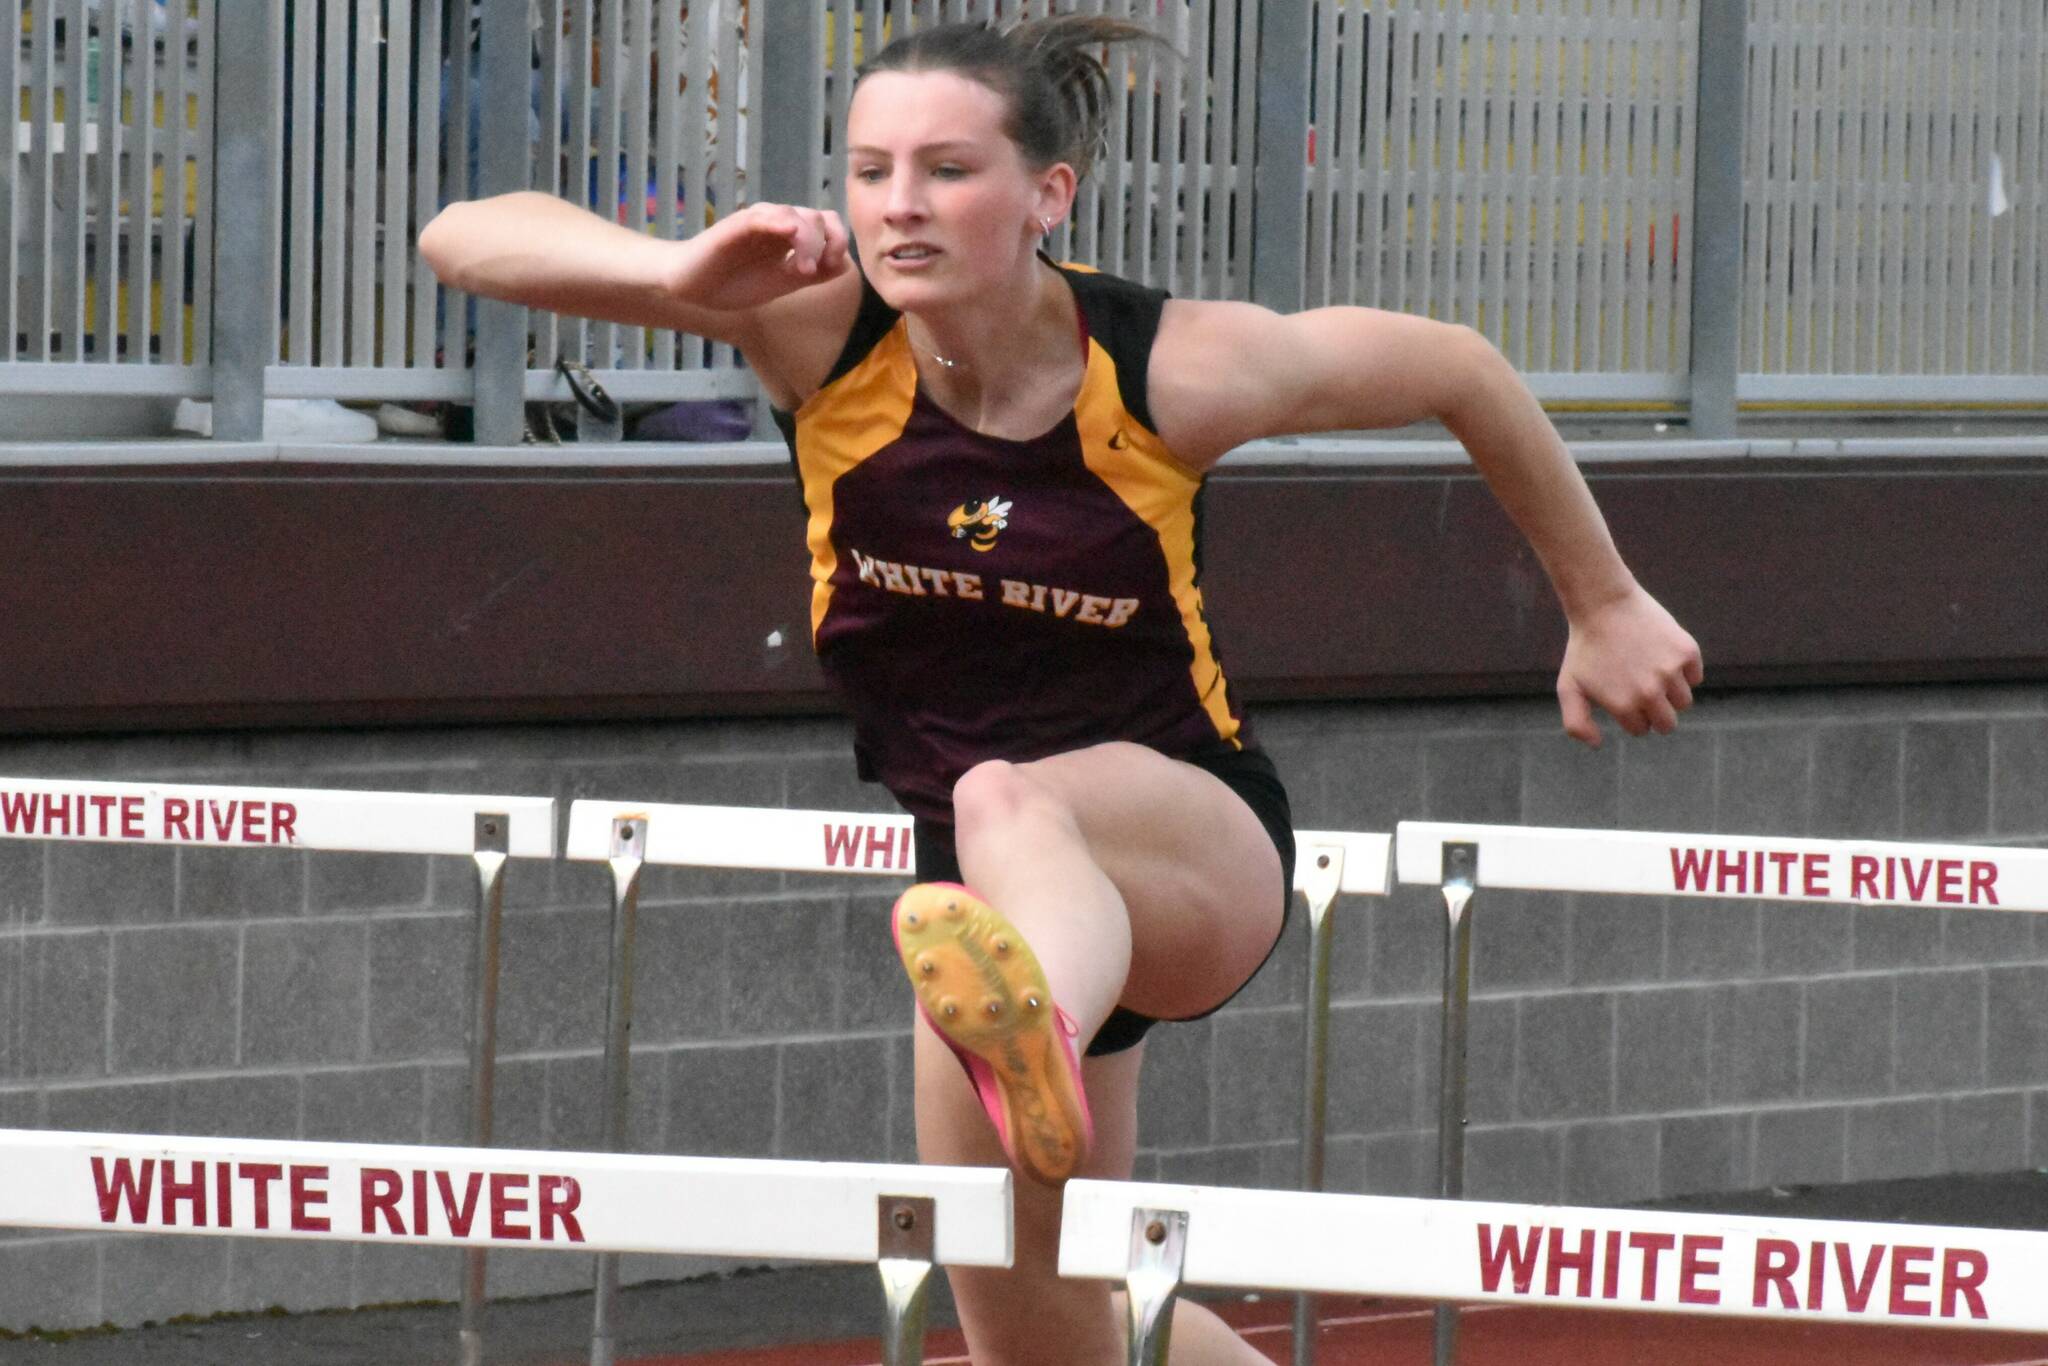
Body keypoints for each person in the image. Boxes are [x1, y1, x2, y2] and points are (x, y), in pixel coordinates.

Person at [420, 15, 1703, 1364]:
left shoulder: (1166, 369)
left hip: (1187, 850)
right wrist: (680, 269)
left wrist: (1602, 601)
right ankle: (1027, 1026)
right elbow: (465, 233)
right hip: (977, 906)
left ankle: (1037, 1015)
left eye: (947, 170)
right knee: (1048, 1342)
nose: (898, 204)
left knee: (1008, 795)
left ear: (1049, 195)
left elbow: (1457, 365)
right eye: (869, 170)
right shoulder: (816, 334)